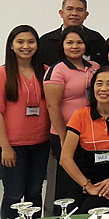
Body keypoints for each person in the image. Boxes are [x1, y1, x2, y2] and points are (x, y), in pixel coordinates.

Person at [59, 66, 109, 213]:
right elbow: (65, 158)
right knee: (78, 211)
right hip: (86, 181)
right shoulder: (80, 115)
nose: (103, 88)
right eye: (99, 83)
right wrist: (88, 186)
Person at [44, 26, 102, 213]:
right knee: (67, 185)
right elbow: (52, 106)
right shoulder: (57, 70)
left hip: (90, 134)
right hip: (66, 135)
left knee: (85, 180)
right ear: (62, 45)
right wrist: (63, 137)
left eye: (79, 42)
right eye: (69, 42)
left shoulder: (94, 68)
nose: (75, 46)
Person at [0, 25, 50, 219]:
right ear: (11, 46)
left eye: (31, 41)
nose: (26, 46)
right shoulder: (3, 73)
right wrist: (5, 147)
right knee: (13, 194)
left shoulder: (45, 71)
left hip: (41, 143)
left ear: (37, 45)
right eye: (20, 42)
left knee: (34, 193)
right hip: (13, 146)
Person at [39, 0, 106, 66]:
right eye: (69, 9)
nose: (74, 13)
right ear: (61, 13)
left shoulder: (96, 39)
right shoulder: (46, 40)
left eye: (79, 10)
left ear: (86, 15)